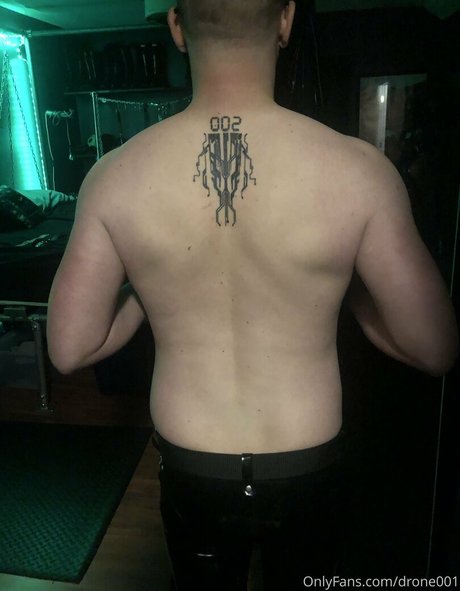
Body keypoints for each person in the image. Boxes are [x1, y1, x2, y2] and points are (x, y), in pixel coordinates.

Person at [47, 1, 459, 589]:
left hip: (192, 464)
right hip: (309, 461)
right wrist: (342, 287)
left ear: (176, 26)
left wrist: (148, 286)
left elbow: (69, 348)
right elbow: (434, 347)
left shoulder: (113, 177)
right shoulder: (360, 172)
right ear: (285, 20)